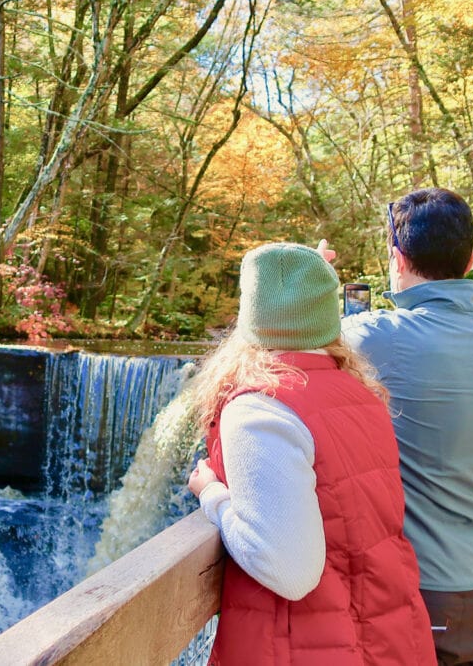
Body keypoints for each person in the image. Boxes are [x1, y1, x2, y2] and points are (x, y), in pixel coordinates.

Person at [187, 242, 435, 666]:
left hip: (301, 647)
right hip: (385, 637)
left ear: (251, 317)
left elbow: (290, 570)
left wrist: (212, 496)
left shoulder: (261, 409)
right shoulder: (361, 396)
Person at [338, 187, 473, 666]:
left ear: (398, 260)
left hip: (411, 592)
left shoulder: (378, 335)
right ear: (469, 261)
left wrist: (315, 276)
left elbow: (284, 337)